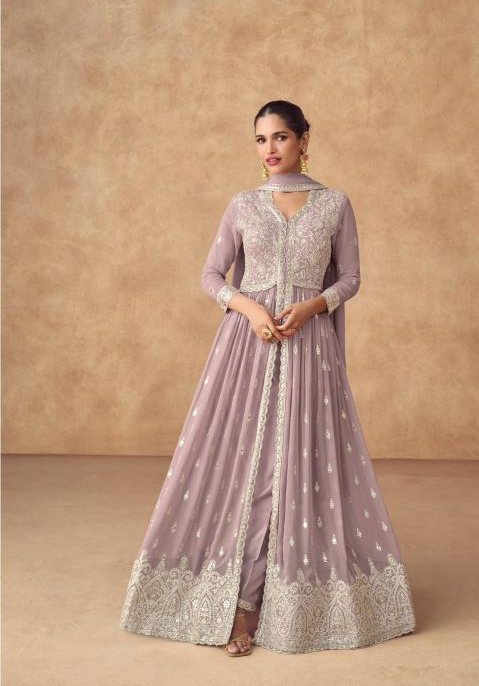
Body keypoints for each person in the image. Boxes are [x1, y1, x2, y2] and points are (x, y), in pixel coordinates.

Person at [119, 100, 416, 656]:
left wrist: (312, 307)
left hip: (309, 351)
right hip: (246, 351)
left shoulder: (334, 204)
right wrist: (249, 308)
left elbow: (351, 278)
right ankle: (236, 600)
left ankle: (274, 600)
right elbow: (211, 274)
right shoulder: (242, 205)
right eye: (260, 139)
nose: (270, 149)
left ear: (304, 138)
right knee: (246, 466)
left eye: (280, 137)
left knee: (296, 465)